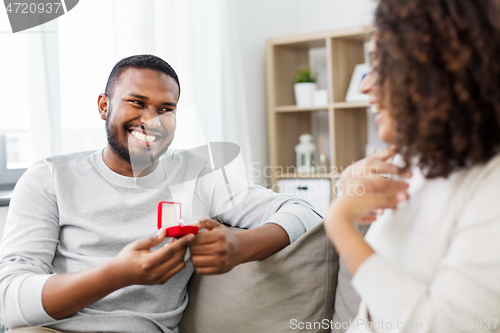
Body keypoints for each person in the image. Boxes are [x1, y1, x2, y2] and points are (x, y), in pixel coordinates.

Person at [0, 55, 322, 332]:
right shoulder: (50, 177)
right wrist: (116, 275)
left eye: (165, 109)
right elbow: (10, 299)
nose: (151, 120)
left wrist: (241, 245)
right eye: (137, 102)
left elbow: (305, 212)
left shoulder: (196, 174)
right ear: (103, 106)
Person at [326, 0, 500, 331]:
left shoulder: (491, 189)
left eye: (379, 67)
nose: (364, 86)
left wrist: (341, 226)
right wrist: (349, 185)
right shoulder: (422, 158)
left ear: (431, 72)